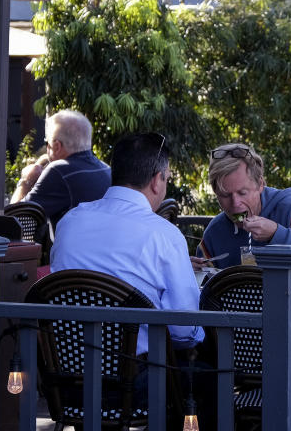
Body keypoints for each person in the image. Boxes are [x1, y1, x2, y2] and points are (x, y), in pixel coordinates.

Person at [50, 132, 204, 356]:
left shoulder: (70, 221)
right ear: (156, 180)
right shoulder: (164, 235)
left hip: (67, 372)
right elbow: (185, 331)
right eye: (167, 178)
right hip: (137, 380)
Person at [194, 142, 291, 290]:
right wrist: (189, 272)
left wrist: (277, 234)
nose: (235, 203)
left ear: (261, 184)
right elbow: (204, 295)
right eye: (225, 195)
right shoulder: (214, 233)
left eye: (243, 193)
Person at [11, 109, 111, 227]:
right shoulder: (106, 169)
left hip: (73, 245)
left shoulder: (58, 171)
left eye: (47, 142)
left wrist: (25, 181)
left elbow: (13, 221)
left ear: (57, 146)